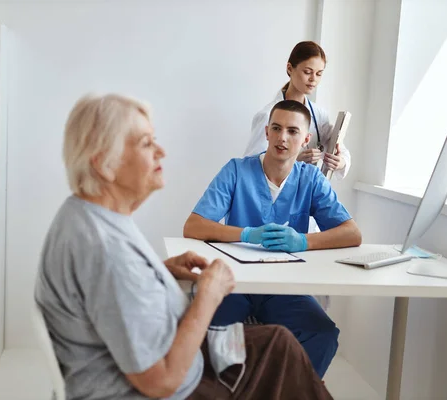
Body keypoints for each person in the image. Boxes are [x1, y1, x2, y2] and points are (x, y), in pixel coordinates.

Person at [34, 93, 334, 400]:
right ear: (104, 165)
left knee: (278, 343)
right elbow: (162, 382)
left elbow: (108, 290)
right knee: (282, 359)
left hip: (173, 358)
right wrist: (209, 293)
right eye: (146, 143)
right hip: (174, 387)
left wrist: (156, 272)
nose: (161, 151)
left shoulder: (87, 216)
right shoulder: (103, 247)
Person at [184, 99, 362, 378]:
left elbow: (352, 233)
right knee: (212, 336)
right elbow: (194, 226)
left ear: (305, 139)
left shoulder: (311, 180)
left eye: (292, 131)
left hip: (283, 286)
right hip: (234, 283)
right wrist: (245, 234)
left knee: (322, 335)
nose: (282, 137)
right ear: (266, 132)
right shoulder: (236, 170)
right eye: (276, 128)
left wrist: (303, 241)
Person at [244, 41, 351, 180]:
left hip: (307, 193)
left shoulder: (319, 115)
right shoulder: (268, 115)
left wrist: (340, 162)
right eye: (307, 72)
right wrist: (293, 160)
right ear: (290, 68)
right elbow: (250, 166)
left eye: (319, 74)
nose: (313, 79)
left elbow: (341, 150)